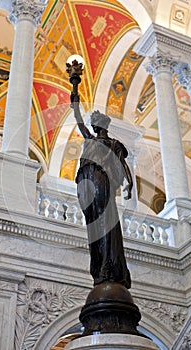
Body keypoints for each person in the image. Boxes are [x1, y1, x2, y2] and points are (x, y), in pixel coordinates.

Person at [71, 93, 133, 289]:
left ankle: (108, 264)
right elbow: (80, 123)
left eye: (95, 123)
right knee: (96, 224)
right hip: (90, 183)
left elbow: (123, 166)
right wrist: (75, 102)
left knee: (105, 222)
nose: (92, 126)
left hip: (102, 182)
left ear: (101, 125)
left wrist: (129, 184)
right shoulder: (91, 139)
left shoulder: (113, 144)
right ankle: (101, 264)